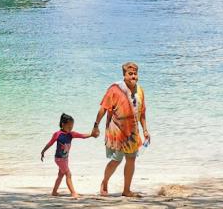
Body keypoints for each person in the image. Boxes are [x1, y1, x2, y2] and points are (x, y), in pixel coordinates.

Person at [93, 62, 150, 198]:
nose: (133, 76)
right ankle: (104, 182)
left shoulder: (140, 91)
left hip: (132, 132)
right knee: (116, 160)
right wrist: (96, 125)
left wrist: (145, 130)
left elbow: (142, 113)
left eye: (135, 73)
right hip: (117, 131)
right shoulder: (115, 89)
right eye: (130, 74)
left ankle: (126, 190)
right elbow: (103, 108)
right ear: (124, 75)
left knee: (131, 159)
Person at [40, 113, 97, 198]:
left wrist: (91, 135)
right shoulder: (58, 134)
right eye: (69, 126)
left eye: (72, 126)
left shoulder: (71, 134)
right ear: (63, 124)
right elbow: (50, 143)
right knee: (68, 174)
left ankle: (54, 192)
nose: (71, 128)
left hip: (65, 159)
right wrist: (43, 151)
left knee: (61, 175)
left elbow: (82, 136)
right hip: (59, 159)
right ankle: (73, 193)